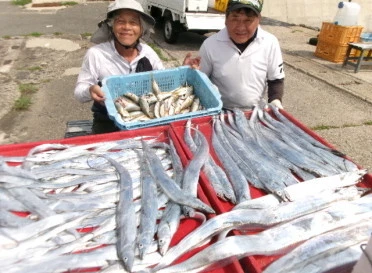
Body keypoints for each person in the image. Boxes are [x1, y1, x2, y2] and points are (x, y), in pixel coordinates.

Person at [74, 0, 164, 134]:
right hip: (107, 121)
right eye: (121, 21)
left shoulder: (148, 53)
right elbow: (79, 93)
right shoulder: (96, 54)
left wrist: (185, 71)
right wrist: (90, 90)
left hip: (144, 118)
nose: (127, 27)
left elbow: (164, 82)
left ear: (141, 29)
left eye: (133, 22)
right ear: (111, 26)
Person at [185, 0, 285, 110]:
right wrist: (188, 72)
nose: (241, 27)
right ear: (226, 19)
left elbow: (276, 80)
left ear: (258, 20)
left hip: (254, 111)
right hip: (218, 109)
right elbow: (200, 81)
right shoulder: (210, 45)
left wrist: (275, 100)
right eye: (235, 19)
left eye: (248, 20)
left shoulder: (270, 42)